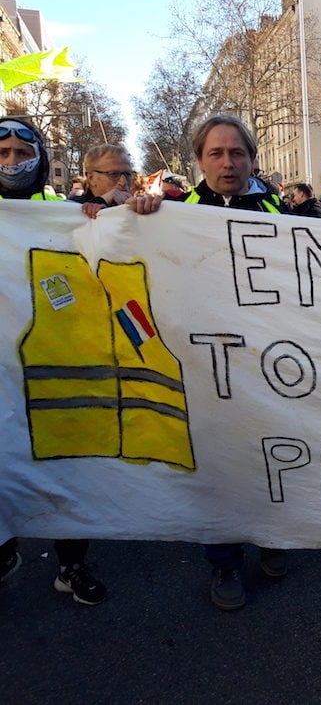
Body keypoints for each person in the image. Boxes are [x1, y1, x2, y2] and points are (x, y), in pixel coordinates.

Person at [0, 116, 162, 604]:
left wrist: (136, 212)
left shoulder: (65, 211)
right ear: (88, 177)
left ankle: (71, 564)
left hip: (59, 352)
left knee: (68, 461)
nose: (11, 162)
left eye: (20, 153)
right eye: (2, 153)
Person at [184, 114, 286, 610]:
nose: (228, 162)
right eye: (216, 153)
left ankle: (270, 537)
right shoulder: (174, 212)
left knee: (270, 456)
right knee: (218, 467)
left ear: (250, 158)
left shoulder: (279, 211)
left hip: (268, 364)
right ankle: (223, 560)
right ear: (200, 160)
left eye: (237, 152)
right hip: (206, 368)